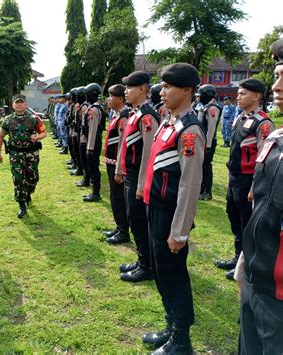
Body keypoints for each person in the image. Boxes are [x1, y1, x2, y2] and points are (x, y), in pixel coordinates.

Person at [142, 63, 204, 354]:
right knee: (161, 272)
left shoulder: (189, 130)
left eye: (168, 87)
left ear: (187, 90)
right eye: (162, 86)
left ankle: (181, 339)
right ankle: (170, 325)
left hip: (171, 215)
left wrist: (179, 232)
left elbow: (189, 185)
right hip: (156, 209)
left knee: (174, 275)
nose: (161, 92)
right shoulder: (169, 122)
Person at [234, 38, 283, 353]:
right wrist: (243, 262)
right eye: (277, 76)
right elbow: (263, 208)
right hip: (256, 275)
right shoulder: (277, 139)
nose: (276, 86)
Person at [215, 78, 274, 281]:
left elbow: (264, 158)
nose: (238, 97)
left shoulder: (263, 123)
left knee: (247, 222)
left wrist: (254, 186)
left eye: (243, 94)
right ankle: (237, 256)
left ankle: (247, 263)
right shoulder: (240, 118)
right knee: (234, 218)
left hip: (248, 180)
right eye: (238, 93)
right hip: (234, 177)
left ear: (256, 96)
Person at [115, 71, 160, 281]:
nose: (125, 91)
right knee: (135, 220)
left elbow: (149, 154)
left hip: (138, 176)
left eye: (129, 88)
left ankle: (147, 266)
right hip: (130, 175)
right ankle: (142, 260)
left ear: (142, 89)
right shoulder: (135, 112)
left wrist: (142, 183)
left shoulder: (147, 116)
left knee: (140, 222)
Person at [0, 94, 47, 218]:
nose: (19, 104)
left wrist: (37, 137)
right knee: (18, 179)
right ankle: (22, 205)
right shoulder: (8, 120)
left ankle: (29, 192)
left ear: (26, 104)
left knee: (32, 178)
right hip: (15, 155)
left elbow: (44, 132)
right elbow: (0, 136)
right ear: (13, 105)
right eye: (16, 102)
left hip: (31, 154)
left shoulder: (34, 118)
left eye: (21, 102)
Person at [102, 84, 130, 244]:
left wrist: (119, 169)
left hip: (117, 164)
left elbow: (123, 144)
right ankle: (119, 227)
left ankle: (123, 231)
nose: (108, 99)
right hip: (112, 162)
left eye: (111, 96)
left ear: (120, 99)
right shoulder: (117, 114)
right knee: (114, 196)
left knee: (119, 198)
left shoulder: (124, 117)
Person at [197, 84, 221, 201]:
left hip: (208, 143)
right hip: (203, 142)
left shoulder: (212, 108)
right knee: (201, 167)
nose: (199, 97)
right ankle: (202, 190)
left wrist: (208, 145)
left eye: (201, 95)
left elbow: (211, 128)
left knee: (206, 166)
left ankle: (207, 191)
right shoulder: (206, 106)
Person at [82, 83, 106, 202]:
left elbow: (92, 129)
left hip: (93, 142)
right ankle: (94, 191)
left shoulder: (93, 110)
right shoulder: (95, 108)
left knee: (93, 167)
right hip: (93, 141)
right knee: (92, 167)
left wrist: (90, 148)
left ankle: (96, 193)